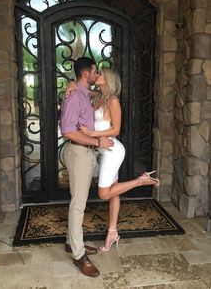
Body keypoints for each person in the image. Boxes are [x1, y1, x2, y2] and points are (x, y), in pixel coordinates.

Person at [67, 67, 160, 252]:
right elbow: (83, 89)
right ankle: (112, 232)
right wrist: (72, 85)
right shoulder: (98, 97)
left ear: (108, 78)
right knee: (114, 192)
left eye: (100, 73)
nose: (97, 75)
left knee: (104, 193)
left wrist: (93, 133)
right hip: (104, 150)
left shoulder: (113, 100)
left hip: (113, 151)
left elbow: (116, 129)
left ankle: (141, 180)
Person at [60, 57, 114, 278]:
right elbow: (67, 130)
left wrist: (72, 83)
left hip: (85, 152)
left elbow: (93, 95)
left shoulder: (82, 92)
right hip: (79, 151)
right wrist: (97, 142)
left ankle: (70, 242)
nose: (96, 74)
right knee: (78, 205)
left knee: (78, 201)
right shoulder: (74, 97)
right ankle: (78, 254)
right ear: (86, 74)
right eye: (95, 71)